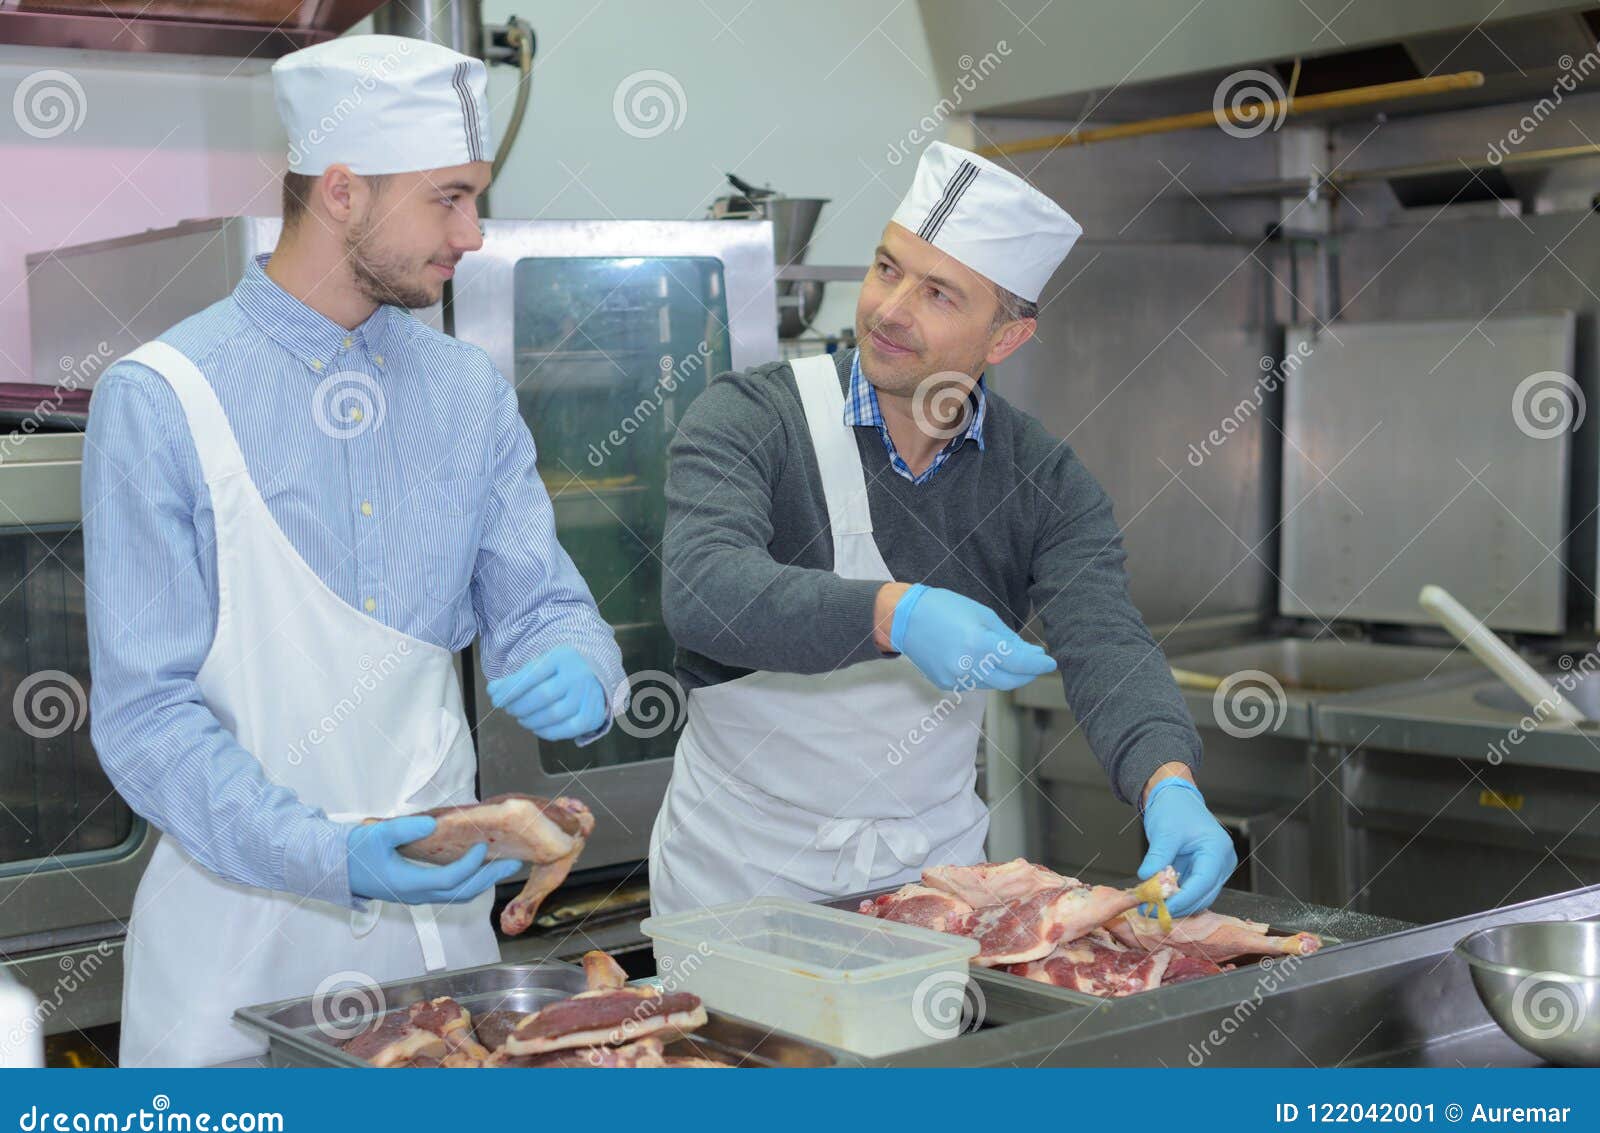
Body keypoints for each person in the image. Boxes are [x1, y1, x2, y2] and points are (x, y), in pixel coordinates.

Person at [82, 34, 624, 1067]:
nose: (472, 233)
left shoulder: (467, 393)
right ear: (340, 192)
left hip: (439, 951)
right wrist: (332, 855)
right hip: (234, 952)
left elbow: (544, 604)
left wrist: (583, 663)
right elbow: (146, 719)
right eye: (449, 198)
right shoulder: (162, 399)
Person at [650, 141, 1232, 919]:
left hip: (936, 883)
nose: (890, 310)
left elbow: (1106, 645)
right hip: (742, 873)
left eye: (939, 294)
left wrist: (1170, 783)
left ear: (1005, 340)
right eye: (887, 268)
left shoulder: (1045, 484)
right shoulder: (754, 419)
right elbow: (704, 590)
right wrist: (895, 614)